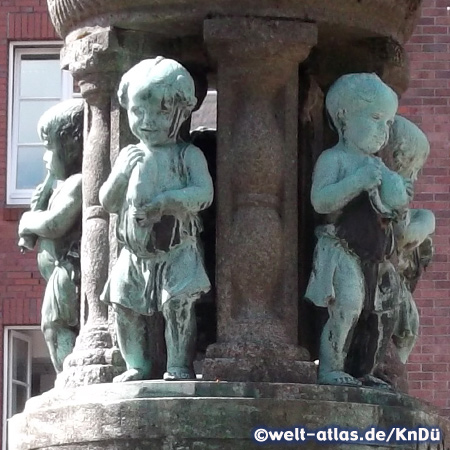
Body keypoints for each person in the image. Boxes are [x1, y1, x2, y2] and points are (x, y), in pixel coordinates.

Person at [99, 57, 214, 382]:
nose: (148, 121)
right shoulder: (127, 155)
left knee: (178, 307)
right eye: (138, 111)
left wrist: (168, 202)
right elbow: (107, 201)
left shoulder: (187, 155)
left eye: (162, 112)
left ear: (182, 111)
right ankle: (136, 364)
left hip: (178, 248)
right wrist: (120, 176)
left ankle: (179, 365)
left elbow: (204, 194)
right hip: (134, 253)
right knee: (123, 306)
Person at [305, 73, 410, 386]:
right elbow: (320, 201)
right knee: (346, 306)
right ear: (343, 118)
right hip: (341, 249)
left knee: (374, 315)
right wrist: (357, 182)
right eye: (376, 118)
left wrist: (398, 189)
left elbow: (395, 203)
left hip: (373, 255)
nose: (383, 131)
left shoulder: (379, 166)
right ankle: (330, 368)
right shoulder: (334, 159)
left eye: (388, 123)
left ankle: (364, 371)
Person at [18, 99, 84, 373]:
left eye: (48, 147)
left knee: (56, 324)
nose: (45, 157)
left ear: (70, 144)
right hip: (57, 274)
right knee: (52, 327)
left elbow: (56, 224)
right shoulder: (61, 185)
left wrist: (29, 221)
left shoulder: (78, 182)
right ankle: (64, 375)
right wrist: (43, 197)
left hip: (68, 271)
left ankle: (68, 375)